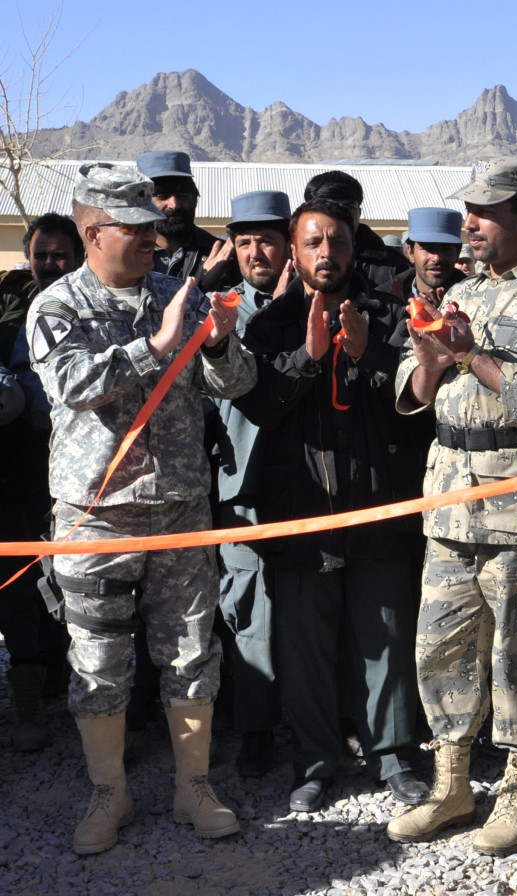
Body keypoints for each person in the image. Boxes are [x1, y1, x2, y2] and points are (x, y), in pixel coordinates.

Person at [25, 162, 256, 855]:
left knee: (191, 653)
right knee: (97, 660)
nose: (155, 240)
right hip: (96, 516)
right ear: (94, 232)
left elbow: (237, 382)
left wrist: (216, 343)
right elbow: (72, 385)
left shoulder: (175, 293)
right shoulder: (57, 305)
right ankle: (110, 793)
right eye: (139, 229)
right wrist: (157, 345)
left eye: (157, 228)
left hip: (180, 507)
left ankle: (193, 787)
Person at [386, 157, 517, 856]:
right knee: (440, 649)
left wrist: (473, 356)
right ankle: (452, 785)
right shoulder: (462, 293)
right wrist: (429, 358)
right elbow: (413, 395)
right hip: (450, 504)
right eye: (466, 212)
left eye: (485, 212)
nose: (468, 225)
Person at [234, 197, 429, 812]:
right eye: (313, 242)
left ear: (353, 247)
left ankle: (394, 758)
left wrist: (370, 352)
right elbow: (259, 404)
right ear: (294, 251)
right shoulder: (268, 327)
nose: (326, 253)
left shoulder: (390, 315)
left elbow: (415, 403)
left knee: (386, 637)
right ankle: (314, 764)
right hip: (300, 514)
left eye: (337, 242)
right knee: (305, 650)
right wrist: (310, 358)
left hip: (376, 509)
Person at [214, 189, 293, 777]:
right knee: (251, 611)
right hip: (242, 487)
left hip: (313, 486)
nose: (255, 251)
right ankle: (257, 729)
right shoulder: (218, 312)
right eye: (244, 242)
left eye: (266, 239)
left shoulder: (317, 303)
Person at [0, 213, 84, 751]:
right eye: (41, 254)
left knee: (64, 592)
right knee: (19, 591)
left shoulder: (93, 306)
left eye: (60, 254)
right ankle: (28, 707)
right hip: (16, 474)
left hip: (75, 479)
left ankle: (65, 697)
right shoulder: (8, 313)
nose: (49, 264)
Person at [136, 150, 238, 290]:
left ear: (195, 200)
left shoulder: (223, 256)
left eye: (183, 194)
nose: (174, 205)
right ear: (143, 203)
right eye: (162, 195)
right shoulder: (127, 253)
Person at [303, 170, 410, 289]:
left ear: (359, 212)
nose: (339, 215)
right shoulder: (293, 262)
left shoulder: (395, 266)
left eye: (347, 207)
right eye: (328, 207)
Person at [390, 207, 466, 302]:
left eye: (446, 249)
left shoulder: (479, 299)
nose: (436, 258)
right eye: (427, 249)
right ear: (411, 253)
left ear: (458, 253)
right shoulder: (387, 301)